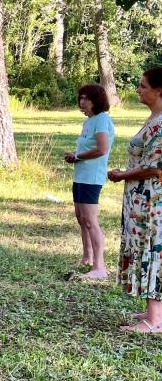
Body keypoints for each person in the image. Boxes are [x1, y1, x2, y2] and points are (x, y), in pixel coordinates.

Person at [108, 67, 162, 333]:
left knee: (153, 249)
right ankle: (154, 311)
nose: (138, 90)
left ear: (158, 90)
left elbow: (156, 166)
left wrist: (123, 174)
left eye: (143, 86)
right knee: (145, 248)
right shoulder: (153, 118)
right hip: (141, 198)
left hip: (153, 200)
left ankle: (154, 321)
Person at [64, 84, 114, 279]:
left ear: (97, 101)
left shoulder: (102, 120)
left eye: (86, 98)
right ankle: (87, 257)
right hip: (81, 176)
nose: (82, 102)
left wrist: (78, 156)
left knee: (90, 220)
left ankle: (99, 266)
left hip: (92, 177)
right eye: (80, 98)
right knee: (81, 218)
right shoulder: (89, 121)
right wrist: (76, 156)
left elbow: (102, 149)